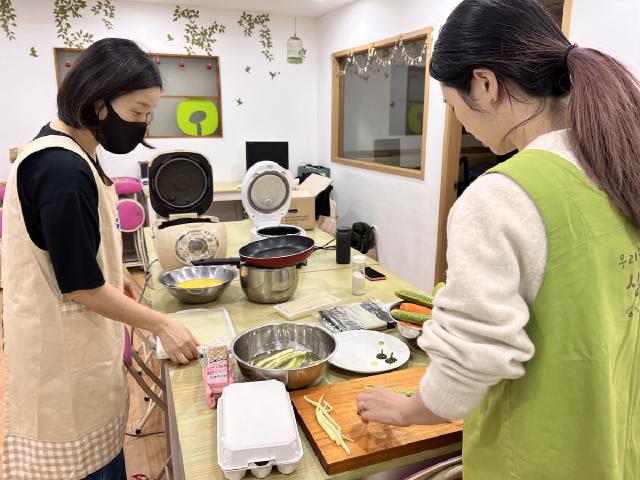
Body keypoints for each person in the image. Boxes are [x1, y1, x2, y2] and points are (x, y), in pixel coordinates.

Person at [356, 1, 640, 478]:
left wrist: (406, 410)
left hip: (536, 458)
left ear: (484, 85)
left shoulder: (501, 195)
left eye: (452, 105)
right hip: (617, 448)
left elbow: (472, 362)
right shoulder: (620, 166)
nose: (461, 123)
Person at [2, 38, 200, 479]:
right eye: (135, 113)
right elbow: (79, 283)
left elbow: (76, 252)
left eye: (149, 114)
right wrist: (163, 323)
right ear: (96, 103)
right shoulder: (60, 169)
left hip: (74, 339)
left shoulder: (71, 152)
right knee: (82, 465)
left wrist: (115, 276)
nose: (143, 126)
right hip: (61, 356)